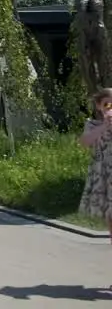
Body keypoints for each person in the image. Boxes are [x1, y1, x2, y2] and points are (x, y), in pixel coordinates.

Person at [79, 87, 112, 240]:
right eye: (107, 104)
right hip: (104, 174)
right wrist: (104, 125)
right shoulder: (93, 125)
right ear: (99, 106)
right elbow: (85, 142)